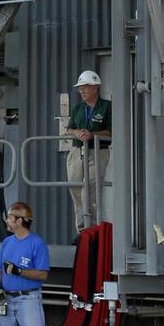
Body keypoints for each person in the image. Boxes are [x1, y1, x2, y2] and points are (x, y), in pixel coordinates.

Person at [66, 70, 112, 232]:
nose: (81, 92)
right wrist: (77, 132)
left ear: (95, 88)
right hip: (77, 152)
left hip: (97, 152)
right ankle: (81, 230)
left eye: (85, 87)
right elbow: (70, 128)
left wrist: (93, 134)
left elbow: (111, 131)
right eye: (80, 88)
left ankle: (90, 228)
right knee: (75, 188)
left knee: (89, 191)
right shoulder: (77, 108)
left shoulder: (107, 107)